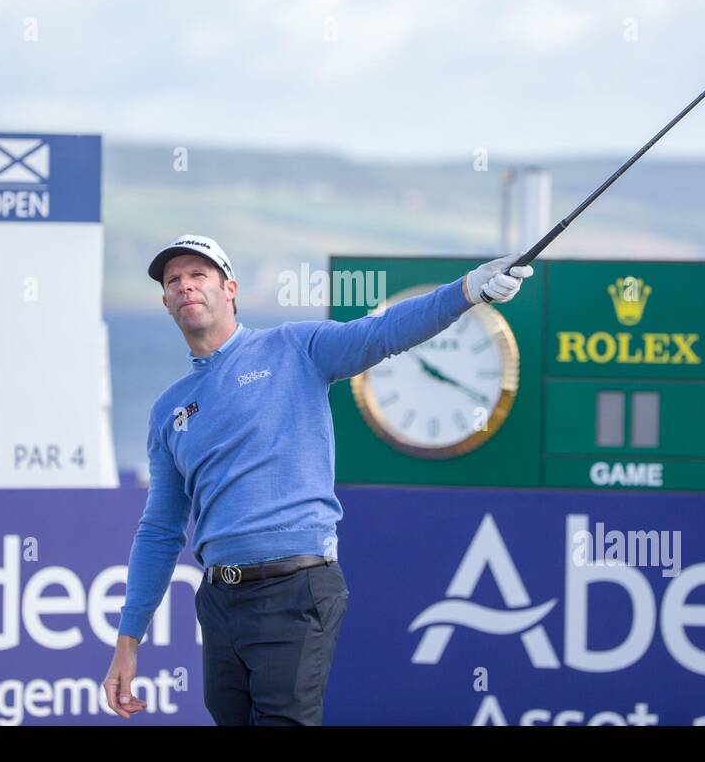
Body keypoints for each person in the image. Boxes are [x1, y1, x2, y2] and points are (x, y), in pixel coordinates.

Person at [102, 234, 530, 725]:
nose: (185, 286)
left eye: (198, 275)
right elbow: (159, 531)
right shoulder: (169, 411)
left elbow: (383, 332)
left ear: (230, 289)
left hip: (296, 587)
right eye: (173, 280)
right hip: (219, 601)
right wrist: (128, 641)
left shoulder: (295, 347)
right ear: (165, 302)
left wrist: (468, 290)